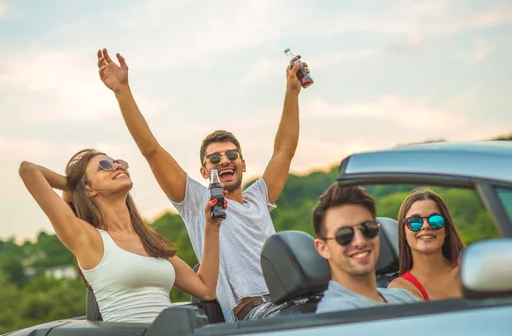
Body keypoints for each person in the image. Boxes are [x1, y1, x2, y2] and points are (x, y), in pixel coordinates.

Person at [96, 48, 309, 322]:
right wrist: (122, 91)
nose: (224, 161)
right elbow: (152, 150)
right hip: (255, 314)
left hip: (293, 299)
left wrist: (292, 92)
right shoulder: (198, 202)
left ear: (243, 164)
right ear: (203, 170)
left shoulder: (259, 198)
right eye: (214, 158)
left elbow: (284, 150)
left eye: (231, 155)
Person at [19, 149, 226, 323]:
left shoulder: (148, 240)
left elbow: (206, 289)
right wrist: (75, 185)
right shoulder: (87, 238)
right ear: (88, 187)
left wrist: (212, 227)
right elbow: (29, 170)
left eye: (118, 162)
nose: (118, 166)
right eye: (105, 166)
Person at [312, 183, 419, 313]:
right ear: (323, 248)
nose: (360, 241)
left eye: (368, 228)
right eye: (344, 234)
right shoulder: (335, 317)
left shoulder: (403, 297)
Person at [388, 188, 464, 301]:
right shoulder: (401, 289)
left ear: (446, 229)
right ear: (403, 232)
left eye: (435, 220)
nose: (425, 226)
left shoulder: (468, 270)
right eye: (415, 221)